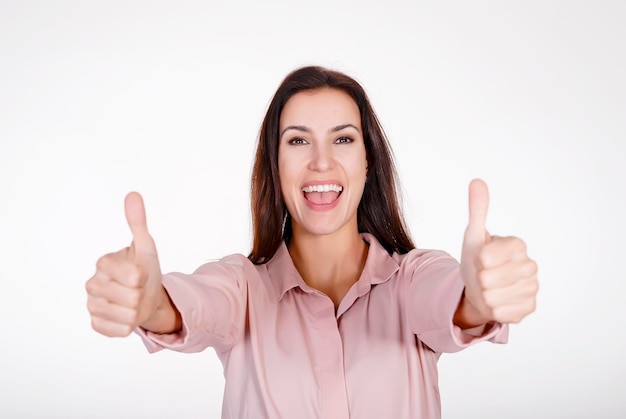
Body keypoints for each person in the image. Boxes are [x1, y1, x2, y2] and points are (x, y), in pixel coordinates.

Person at [85, 66, 539, 418]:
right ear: (276, 165)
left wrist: (481, 295)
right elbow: (191, 304)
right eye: (298, 140)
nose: (321, 162)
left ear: (367, 163)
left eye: (343, 138)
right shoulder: (243, 289)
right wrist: (147, 304)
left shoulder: (411, 280)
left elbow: (453, 300)